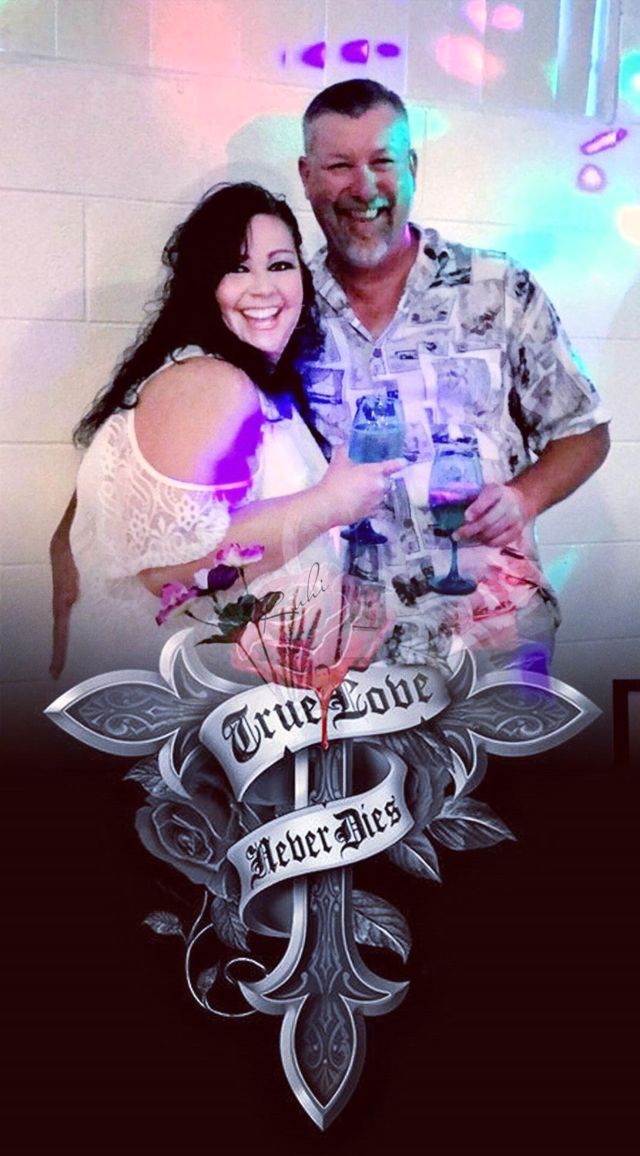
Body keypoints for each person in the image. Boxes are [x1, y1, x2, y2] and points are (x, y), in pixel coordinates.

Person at [51, 81, 610, 678]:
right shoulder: (282, 304)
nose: (364, 187)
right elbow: (165, 447)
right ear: (308, 176)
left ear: (412, 168)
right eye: (340, 165)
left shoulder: (497, 288)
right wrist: (71, 536)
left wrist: (525, 497)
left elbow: (583, 430)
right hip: (345, 667)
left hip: (492, 637)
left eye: (382, 161)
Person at [53, 181, 401, 681]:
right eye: (237, 268)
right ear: (205, 284)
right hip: (185, 704)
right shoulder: (210, 382)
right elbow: (170, 574)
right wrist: (331, 502)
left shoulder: (247, 381)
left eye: (279, 265)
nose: (263, 288)